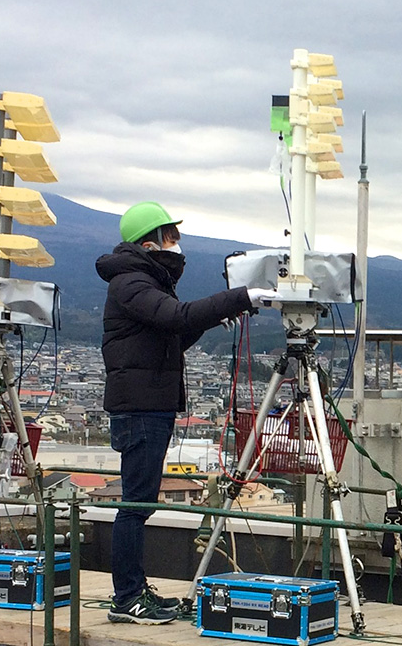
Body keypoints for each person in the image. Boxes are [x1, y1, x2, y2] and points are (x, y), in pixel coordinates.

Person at [96, 201, 274, 624]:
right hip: (141, 408)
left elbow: (171, 338)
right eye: (171, 236)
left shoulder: (142, 282)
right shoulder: (132, 284)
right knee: (136, 505)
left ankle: (134, 592)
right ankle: (127, 598)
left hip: (148, 405)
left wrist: (220, 315)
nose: (177, 244)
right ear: (149, 242)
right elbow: (177, 318)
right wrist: (239, 297)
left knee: (139, 503)